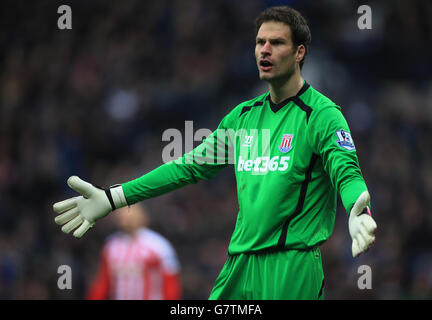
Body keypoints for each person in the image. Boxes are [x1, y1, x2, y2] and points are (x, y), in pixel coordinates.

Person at [53, 6, 377, 299]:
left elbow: (347, 173)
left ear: (299, 53)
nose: (264, 50)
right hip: (239, 263)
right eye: (259, 42)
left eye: (276, 43)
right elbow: (186, 166)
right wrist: (114, 198)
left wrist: (358, 210)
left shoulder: (321, 115)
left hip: (290, 266)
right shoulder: (242, 118)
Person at [86, 204, 182, 300]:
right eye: (121, 211)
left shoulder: (158, 246)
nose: (125, 215)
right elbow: (103, 282)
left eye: (130, 210)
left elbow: (171, 283)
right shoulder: (111, 246)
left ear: (143, 215)